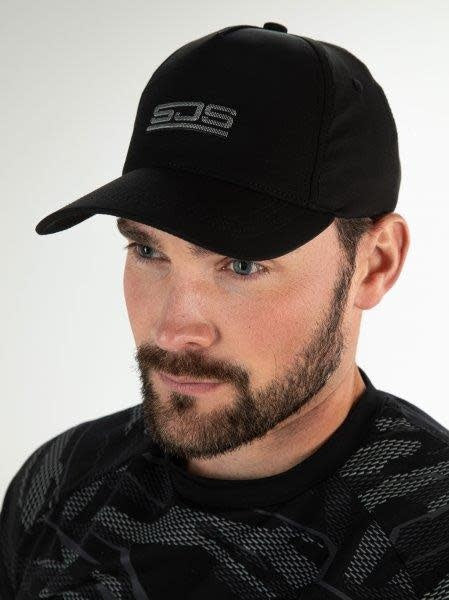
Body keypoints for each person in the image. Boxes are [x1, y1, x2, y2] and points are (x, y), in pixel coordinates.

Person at [1, 21, 448, 600]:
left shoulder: (432, 545)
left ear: (375, 264)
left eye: (241, 264)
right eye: (148, 251)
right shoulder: (58, 484)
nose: (173, 329)